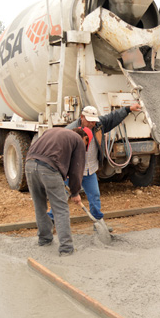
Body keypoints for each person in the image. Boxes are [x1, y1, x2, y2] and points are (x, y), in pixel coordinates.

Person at [66, 103, 141, 224]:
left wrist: (128, 109)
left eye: (93, 121)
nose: (92, 124)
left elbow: (112, 117)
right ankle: (51, 220)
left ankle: (99, 222)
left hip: (90, 170)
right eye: (89, 121)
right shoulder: (70, 131)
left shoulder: (98, 125)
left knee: (94, 196)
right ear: (82, 117)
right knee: (61, 198)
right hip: (72, 172)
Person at [25, 127, 89, 256]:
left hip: (29, 165)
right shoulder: (78, 140)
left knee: (39, 206)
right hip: (49, 168)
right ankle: (66, 248)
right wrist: (75, 192)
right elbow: (77, 169)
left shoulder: (53, 131)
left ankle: (44, 239)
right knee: (60, 209)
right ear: (85, 138)